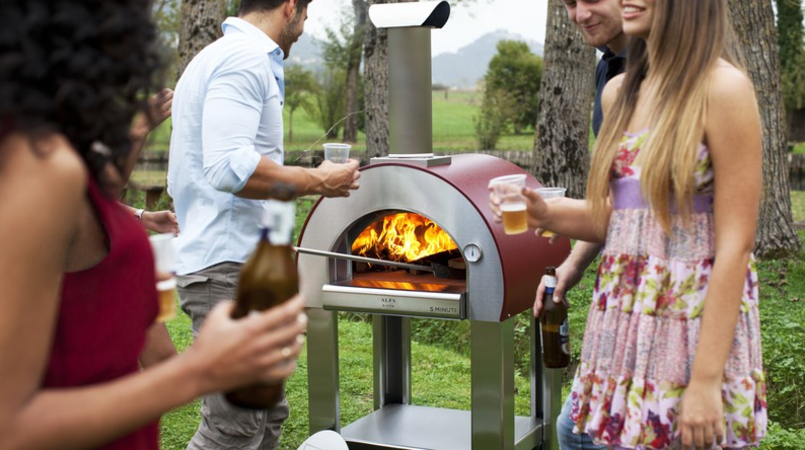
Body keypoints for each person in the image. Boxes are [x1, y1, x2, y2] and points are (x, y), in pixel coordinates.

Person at [0, 1, 307, 449]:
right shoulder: (41, 165)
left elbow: (82, 216)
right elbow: (12, 425)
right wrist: (199, 370)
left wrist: (139, 218)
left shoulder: (48, 157)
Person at [493, 0, 767, 448]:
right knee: (584, 436)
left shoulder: (723, 88)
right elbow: (621, 217)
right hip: (623, 317)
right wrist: (544, 212)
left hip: (691, 323)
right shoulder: (618, 93)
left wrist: (705, 380)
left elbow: (737, 244)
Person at [167, 0, 361, 448]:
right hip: (226, 268)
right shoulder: (244, 59)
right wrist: (320, 180)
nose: (304, 29)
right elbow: (230, 168)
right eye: (307, 17)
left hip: (242, 261)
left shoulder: (218, 57)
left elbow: (198, 172)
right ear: (290, 7)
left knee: (267, 416)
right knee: (232, 427)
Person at [538, 1, 628, 448]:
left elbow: (633, 208)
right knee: (575, 431)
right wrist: (571, 267)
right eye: (570, 3)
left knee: (581, 434)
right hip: (622, 287)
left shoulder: (682, 79)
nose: (579, 14)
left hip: (670, 294)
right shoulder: (608, 73)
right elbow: (618, 195)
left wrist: (547, 212)